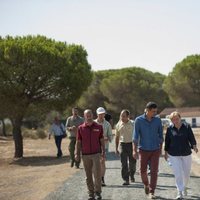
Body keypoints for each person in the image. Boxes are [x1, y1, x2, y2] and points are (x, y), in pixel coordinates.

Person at [164, 111, 198, 199]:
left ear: (180, 118)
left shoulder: (187, 127)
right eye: (173, 119)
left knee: (186, 174)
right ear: (171, 120)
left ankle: (185, 186)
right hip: (174, 154)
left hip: (186, 153)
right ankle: (180, 192)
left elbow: (191, 137)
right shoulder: (169, 128)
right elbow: (167, 141)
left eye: (177, 119)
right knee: (178, 173)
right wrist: (166, 153)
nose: (176, 121)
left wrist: (194, 146)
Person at [133, 102, 163, 199]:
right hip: (143, 149)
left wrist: (160, 148)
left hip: (155, 149)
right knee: (142, 171)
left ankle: (152, 191)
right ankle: (146, 184)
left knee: (154, 171)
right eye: (153, 111)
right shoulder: (138, 120)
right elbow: (135, 136)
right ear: (147, 110)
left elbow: (161, 135)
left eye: (156, 111)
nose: (155, 113)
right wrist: (134, 150)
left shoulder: (158, 120)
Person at [75, 109, 105, 200]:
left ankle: (98, 193)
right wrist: (77, 153)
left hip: (96, 154)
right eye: (86, 115)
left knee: (97, 174)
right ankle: (91, 193)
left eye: (90, 114)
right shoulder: (80, 128)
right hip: (85, 155)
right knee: (88, 175)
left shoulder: (99, 127)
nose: (88, 116)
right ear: (84, 116)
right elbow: (78, 142)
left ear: (92, 115)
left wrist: (103, 152)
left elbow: (101, 140)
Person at [115, 109, 137, 185]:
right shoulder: (118, 124)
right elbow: (117, 137)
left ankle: (132, 175)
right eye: (121, 116)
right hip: (122, 145)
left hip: (132, 144)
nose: (122, 118)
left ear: (128, 116)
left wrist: (136, 147)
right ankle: (126, 179)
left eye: (124, 116)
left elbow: (137, 136)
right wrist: (116, 148)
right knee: (123, 163)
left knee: (132, 163)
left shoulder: (133, 124)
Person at [94, 107, 112, 186]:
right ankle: (96, 179)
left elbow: (110, 136)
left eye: (103, 114)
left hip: (104, 147)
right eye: (100, 114)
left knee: (102, 163)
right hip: (94, 147)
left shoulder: (107, 124)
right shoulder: (93, 123)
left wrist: (106, 138)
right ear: (97, 114)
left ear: (104, 114)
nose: (101, 115)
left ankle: (102, 179)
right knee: (95, 164)